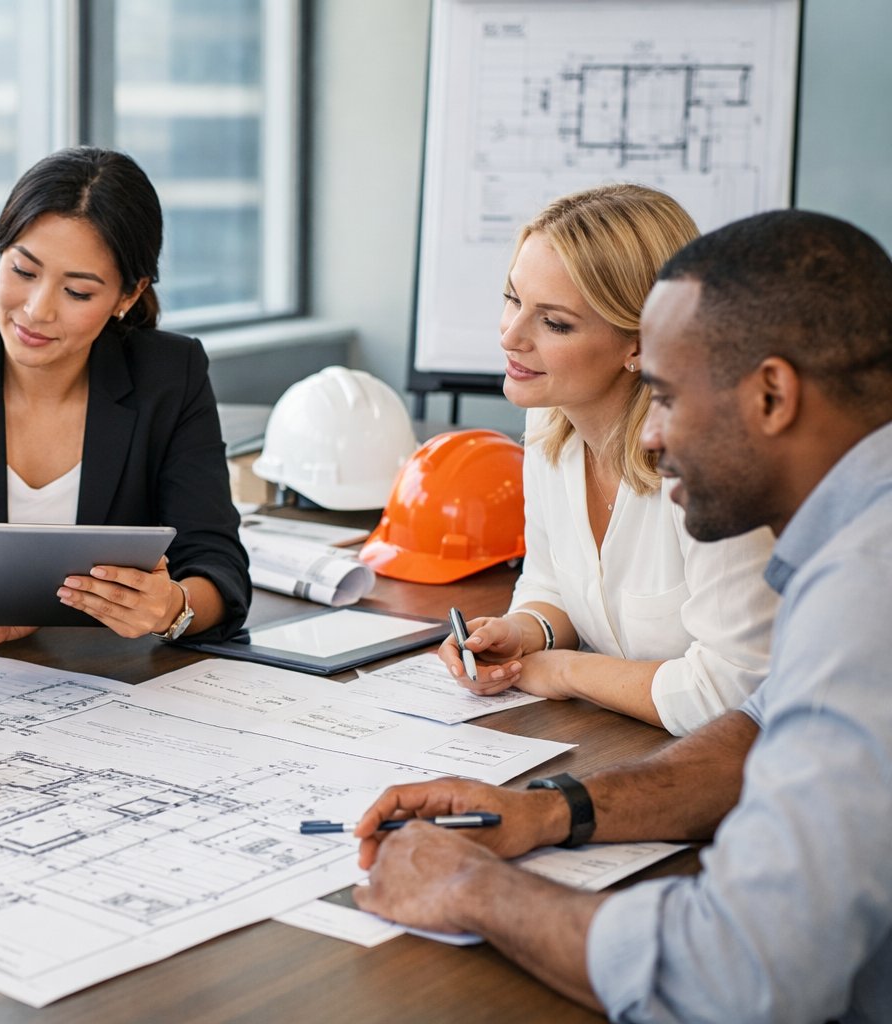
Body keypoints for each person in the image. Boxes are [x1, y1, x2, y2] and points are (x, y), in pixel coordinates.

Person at [353, 209, 892, 1022]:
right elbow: (759, 726)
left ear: (773, 395)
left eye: (668, 398)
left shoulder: (868, 583)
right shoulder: (857, 533)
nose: (651, 437)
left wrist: (473, 890)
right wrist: (548, 811)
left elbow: (743, 975)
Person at [0, 147, 250, 646]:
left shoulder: (170, 375)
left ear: (128, 295)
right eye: (23, 271)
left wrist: (172, 608)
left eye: (77, 292)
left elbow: (218, 562)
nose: (37, 311)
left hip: (114, 680)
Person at [439, 185, 777, 734]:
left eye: (555, 323)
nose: (511, 334)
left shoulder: (713, 463)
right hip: (629, 748)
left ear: (642, 344)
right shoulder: (551, 416)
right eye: (512, 298)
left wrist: (564, 672)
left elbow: (733, 693)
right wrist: (522, 634)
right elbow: (552, 584)